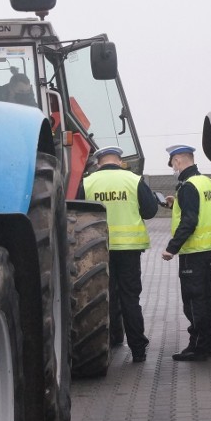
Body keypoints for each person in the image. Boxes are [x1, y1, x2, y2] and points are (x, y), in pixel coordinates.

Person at [77, 145, 159, 363]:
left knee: (104, 295)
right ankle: (138, 350)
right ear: (119, 160)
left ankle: (112, 339)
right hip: (129, 250)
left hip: (96, 249)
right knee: (130, 297)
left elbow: (76, 214)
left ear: (99, 161)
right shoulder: (133, 180)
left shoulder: (87, 182)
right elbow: (151, 211)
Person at [161, 145, 211, 361]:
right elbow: (201, 210)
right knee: (204, 297)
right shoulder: (205, 182)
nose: (173, 168)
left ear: (178, 161)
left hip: (192, 250)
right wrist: (175, 205)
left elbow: (190, 221)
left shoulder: (187, 186)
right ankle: (206, 343)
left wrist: (171, 248)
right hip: (206, 248)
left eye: (173, 163)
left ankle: (200, 347)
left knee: (193, 301)